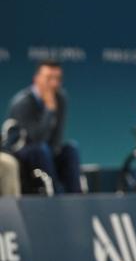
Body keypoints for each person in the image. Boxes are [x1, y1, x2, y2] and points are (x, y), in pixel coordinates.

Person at [5, 61, 82, 194]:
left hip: (46, 151)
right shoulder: (22, 102)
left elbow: (57, 136)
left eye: (57, 79)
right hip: (23, 152)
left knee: (71, 148)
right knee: (41, 149)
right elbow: (36, 137)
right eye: (48, 78)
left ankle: (75, 196)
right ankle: (56, 195)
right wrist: (49, 109)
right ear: (36, 79)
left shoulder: (61, 98)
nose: (53, 83)